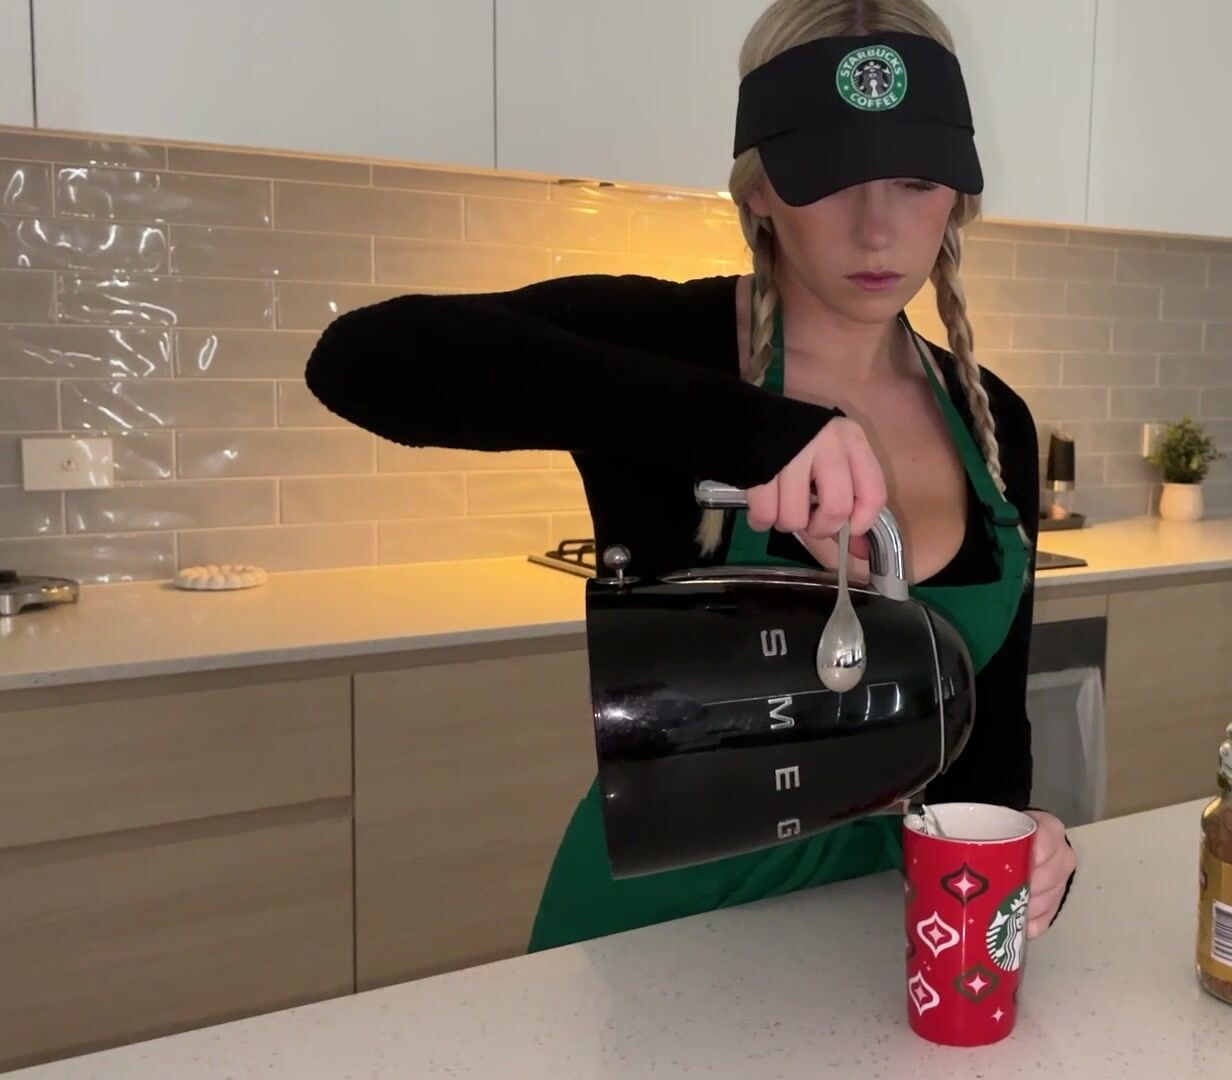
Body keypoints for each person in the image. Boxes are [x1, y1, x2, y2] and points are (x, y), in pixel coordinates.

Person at [304, 0, 1077, 951]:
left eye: (916, 181)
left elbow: (989, 743)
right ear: (759, 190)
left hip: (886, 939)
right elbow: (361, 361)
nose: (877, 229)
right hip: (657, 939)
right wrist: (750, 431)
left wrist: (1030, 848)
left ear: (957, 194)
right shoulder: (668, 346)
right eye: (832, 176)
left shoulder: (995, 422)